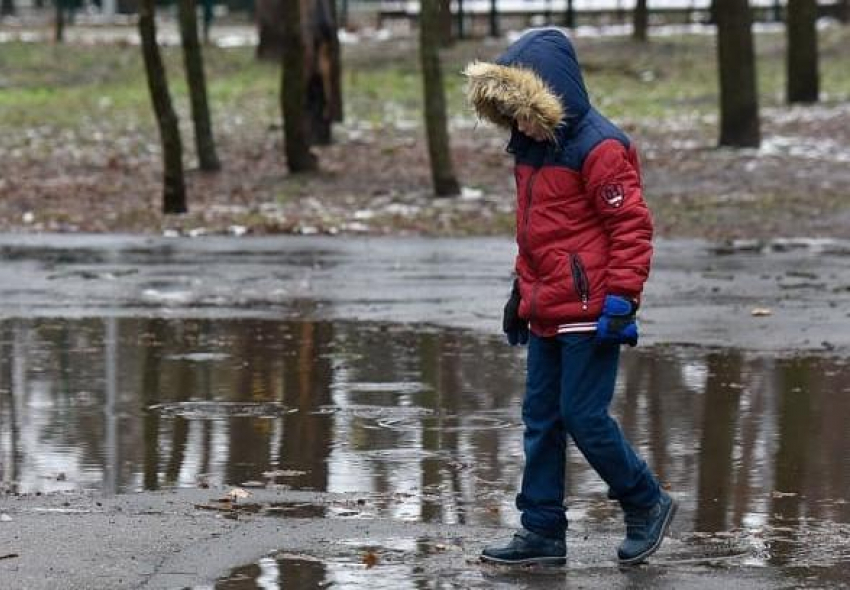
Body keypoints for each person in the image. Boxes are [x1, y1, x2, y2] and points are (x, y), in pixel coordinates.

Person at [463, 28, 676, 567]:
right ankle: (541, 531)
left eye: (526, 112)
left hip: (592, 308)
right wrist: (520, 294)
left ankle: (646, 501)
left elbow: (631, 227)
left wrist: (623, 299)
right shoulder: (531, 150)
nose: (520, 125)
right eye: (511, 116)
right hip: (547, 307)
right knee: (540, 418)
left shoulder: (600, 147)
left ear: (553, 97)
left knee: (582, 416)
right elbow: (538, 233)